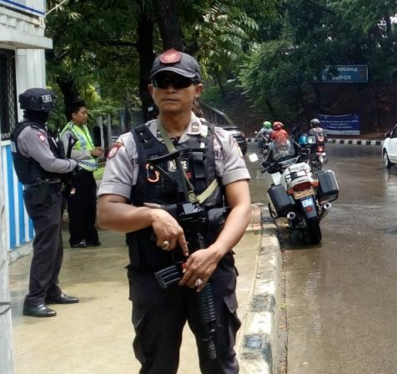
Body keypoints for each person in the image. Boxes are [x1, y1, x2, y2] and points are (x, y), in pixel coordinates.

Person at [97, 49, 251, 374]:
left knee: (220, 362)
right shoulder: (129, 146)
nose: (170, 89)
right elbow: (107, 213)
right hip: (153, 277)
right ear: (151, 90)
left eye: (179, 82)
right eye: (162, 82)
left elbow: (241, 207)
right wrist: (150, 216)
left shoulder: (220, 142)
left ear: (196, 89)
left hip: (211, 272)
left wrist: (216, 251)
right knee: (157, 365)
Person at [10, 88, 80, 317]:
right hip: (43, 195)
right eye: (48, 107)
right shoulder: (31, 132)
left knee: (55, 246)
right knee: (46, 248)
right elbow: (50, 163)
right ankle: (34, 299)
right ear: (41, 108)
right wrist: (71, 164)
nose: (50, 111)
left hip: (50, 193)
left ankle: (51, 289)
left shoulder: (38, 129)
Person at [60, 100, 103, 248]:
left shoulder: (83, 128)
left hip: (88, 173)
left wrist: (95, 151)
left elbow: (86, 147)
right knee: (77, 207)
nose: (86, 115)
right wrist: (90, 152)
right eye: (83, 112)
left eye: (86, 112)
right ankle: (77, 239)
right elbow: (67, 153)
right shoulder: (68, 132)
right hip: (76, 175)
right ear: (73, 115)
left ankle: (91, 238)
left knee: (90, 206)